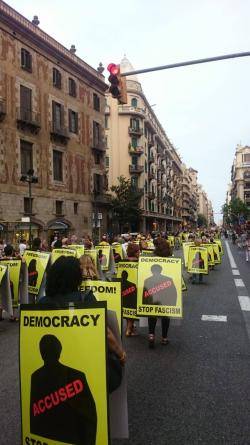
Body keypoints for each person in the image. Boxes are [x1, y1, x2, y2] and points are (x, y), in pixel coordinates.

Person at [39, 257, 126, 376]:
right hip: (84, 358)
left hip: (51, 374)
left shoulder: (42, 302)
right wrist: (120, 354)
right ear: (76, 277)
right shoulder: (86, 298)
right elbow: (104, 332)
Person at [30, 334, 97, 445]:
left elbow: (35, 418)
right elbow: (89, 415)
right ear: (59, 352)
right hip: (73, 439)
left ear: (41, 353)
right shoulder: (77, 375)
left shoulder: (36, 377)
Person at [145, 239, 174, 348]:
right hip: (166, 291)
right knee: (165, 315)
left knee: (152, 313)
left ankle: (151, 335)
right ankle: (164, 338)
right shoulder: (171, 258)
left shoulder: (152, 257)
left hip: (152, 289)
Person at [123, 243, 140, 337]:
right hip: (134, 288)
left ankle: (130, 327)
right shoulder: (138, 262)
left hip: (124, 288)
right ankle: (129, 329)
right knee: (132, 309)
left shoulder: (124, 261)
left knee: (127, 308)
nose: (140, 252)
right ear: (135, 252)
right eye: (138, 251)